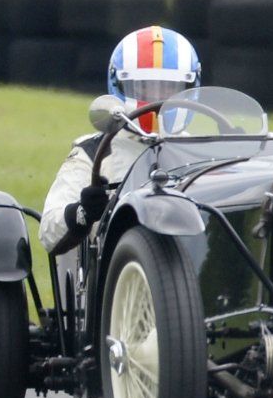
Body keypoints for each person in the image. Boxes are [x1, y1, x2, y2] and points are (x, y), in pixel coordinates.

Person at [39, 25, 202, 255]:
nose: (157, 99)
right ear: (118, 85)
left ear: (189, 88)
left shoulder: (203, 151)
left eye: (168, 88)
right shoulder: (91, 152)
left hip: (190, 264)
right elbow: (48, 232)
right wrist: (84, 211)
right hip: (115, 270)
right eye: (144, 87)